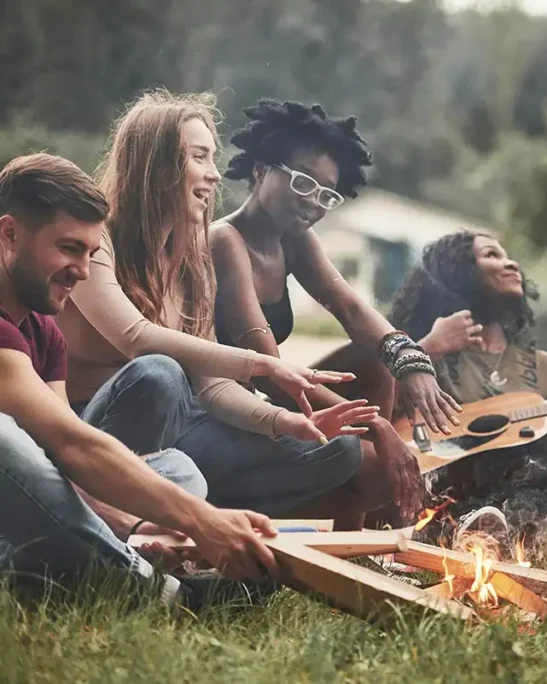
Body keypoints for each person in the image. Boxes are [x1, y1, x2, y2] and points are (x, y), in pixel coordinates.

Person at [58, 90, 421, 530]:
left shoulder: (193, 259)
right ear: (154, 163)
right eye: (199, 157)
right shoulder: (97, 242)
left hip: (181, 428)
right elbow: (135, 338)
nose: (214, 175)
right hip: (92, 426)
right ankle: (139, 520)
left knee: (336, 447)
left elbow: (213, 389)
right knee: (160, 374)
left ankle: (222, 520)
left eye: (213, 159)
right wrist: (262, 365)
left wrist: (286, 422)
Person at [0, 153, 280, 601]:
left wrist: (138, 521)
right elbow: (72, 442)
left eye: (91, 253)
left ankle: (91, 559)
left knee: (177, 470)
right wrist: (201, 519)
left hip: (33, 512)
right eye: (69, 248)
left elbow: (62, 461)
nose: (83, 271)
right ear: (10, 233)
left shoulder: (44, 332)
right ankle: (166, 595)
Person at [388, 231, 547, 579]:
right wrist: (428, 347)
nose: (511, 263)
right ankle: (472, 537)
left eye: (507, 255)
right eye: (492, 255)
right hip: (460, 500)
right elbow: (384, 412)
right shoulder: (432, 353)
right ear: (458, 272)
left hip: (534, 508)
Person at [209, 98, 459, 437]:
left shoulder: (294, 239)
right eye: (303, 182)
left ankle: (372, 456)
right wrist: (374, 424)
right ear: (261, 169)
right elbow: (269, 373)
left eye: (327, 194)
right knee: (368, 456)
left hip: (260, 401)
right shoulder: (225, 240)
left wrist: (409, 358)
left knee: (377, 358)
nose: (313, 201)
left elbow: (351, 307)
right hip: (215, 412)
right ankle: (372, 456)